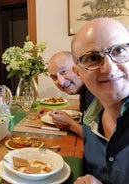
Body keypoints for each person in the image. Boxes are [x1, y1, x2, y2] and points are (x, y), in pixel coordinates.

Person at [71, 17, 129, 184]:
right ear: (78, 72)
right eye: (93, 58)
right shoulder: (90, 119)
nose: (109, 68)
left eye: (119, 50)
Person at [37, 51, 94, 137]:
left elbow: (100, 141)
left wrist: (70, 125)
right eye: (54, 77)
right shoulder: (84, 91)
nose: (61, 82)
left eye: (63, 71)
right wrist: (52, 113)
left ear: (78, 68)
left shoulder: (94, 92)